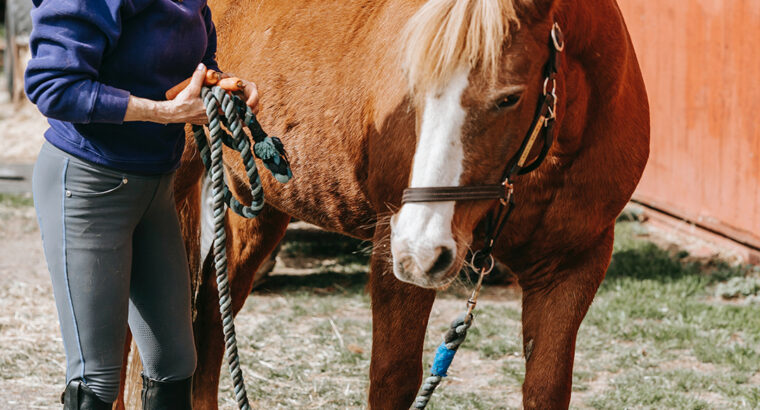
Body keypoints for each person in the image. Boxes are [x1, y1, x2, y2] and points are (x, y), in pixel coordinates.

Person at [24, 0, 259, 408]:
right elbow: (53, 87)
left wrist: (220, 85)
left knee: (176, 364)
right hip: (89, 186)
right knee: (95, 381)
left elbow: (198, 60)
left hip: (154, 189)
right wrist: (165, 113)